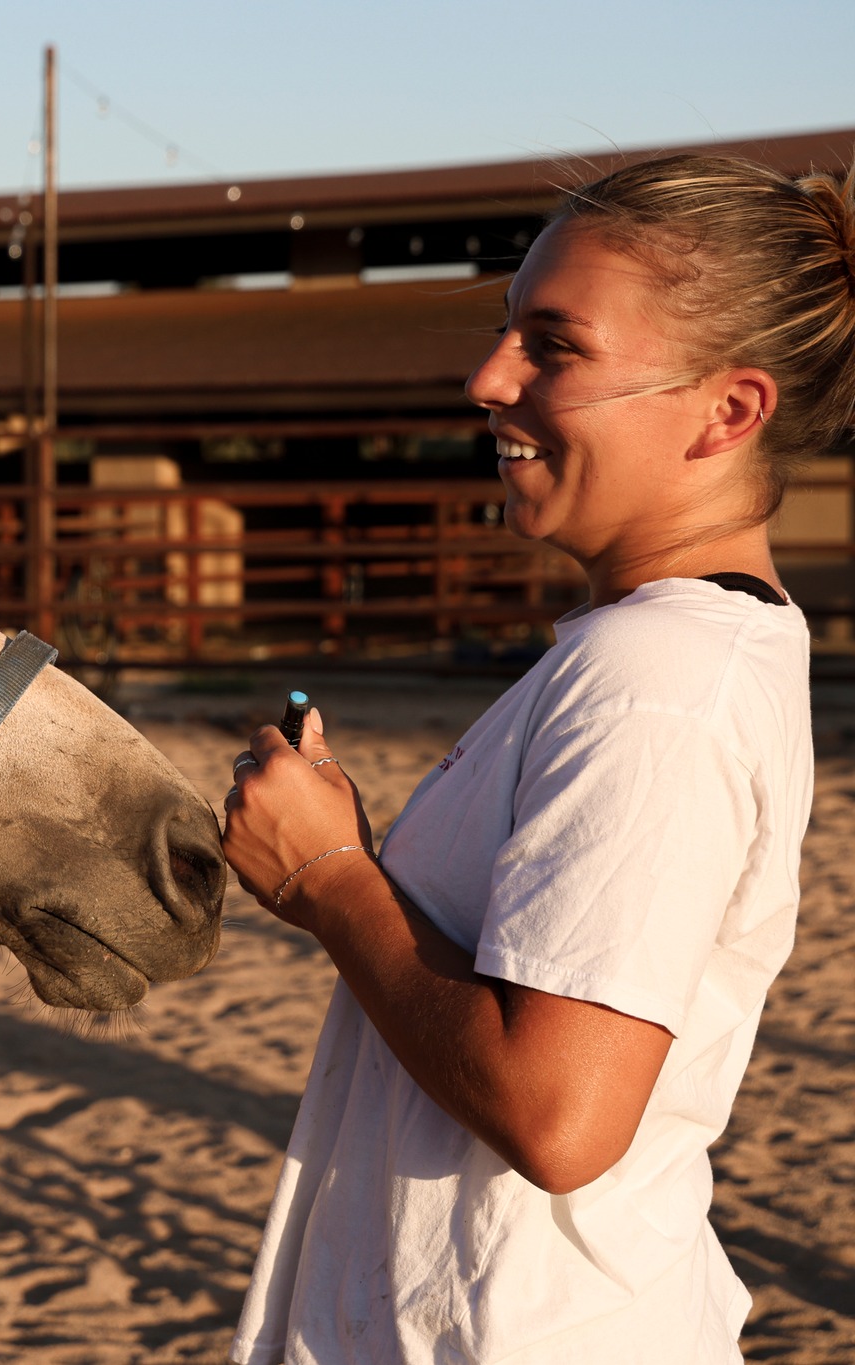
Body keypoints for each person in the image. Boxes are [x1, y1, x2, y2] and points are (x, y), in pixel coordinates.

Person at [223, 153, 849, 1363]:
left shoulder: (657, 681)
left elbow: (557, 1114)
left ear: (727, 412)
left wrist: (331, 883)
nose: (487, 376)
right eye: (506, 330)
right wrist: (343, 850)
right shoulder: (648, 655)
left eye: (551, 346)